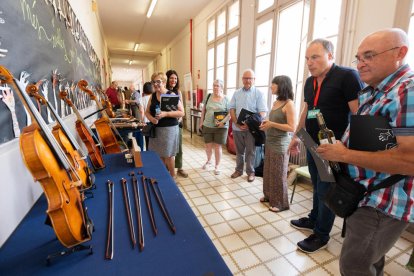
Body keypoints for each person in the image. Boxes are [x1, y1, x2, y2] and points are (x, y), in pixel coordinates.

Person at [316, 28, 414, 275]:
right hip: (364, 193)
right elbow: (381, 141)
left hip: (382, 202)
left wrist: (344, 155)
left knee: (355, 265)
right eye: (358, 58)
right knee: (370, 260)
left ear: (400, 53)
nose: (361, 64)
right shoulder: (376, 91)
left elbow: (409, 159)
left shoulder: (407, 91)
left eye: (369, 56)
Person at [288, 38, 364, 253]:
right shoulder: (310, 82)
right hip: (312, 143)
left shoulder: (347, 76)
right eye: (307, 59)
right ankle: (314, 219)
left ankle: (321, 235)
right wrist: (296, 136)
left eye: (315, 57)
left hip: (332, 146)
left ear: (330, 56)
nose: (310, 63)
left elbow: (359, 114)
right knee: (317, 185)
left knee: (326, 189)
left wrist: (351, 151)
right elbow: (306, 111)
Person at [259, 76, 296, 213]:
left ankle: (281, 203)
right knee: (268, 171)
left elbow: (292, 127)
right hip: (270, 141)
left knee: (278, 174)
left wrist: (272, 124)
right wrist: (266, 124)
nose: (271, 87)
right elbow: (272, 120)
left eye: (273, 85)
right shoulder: (276, 102)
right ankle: (269, 196)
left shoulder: (289, 104)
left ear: (281, 86)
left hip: (280, 144)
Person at [229, 69, 268, 182]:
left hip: (252, 129)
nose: (247, 80)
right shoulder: (236, 93)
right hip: (237, 128)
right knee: (239, 152)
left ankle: (251, 172)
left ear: (254, 80)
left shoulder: (259, 94)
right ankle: (238, 170)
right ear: (242, 79)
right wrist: (236, 122)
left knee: (251, 152)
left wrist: (249, 123)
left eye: (250, 78)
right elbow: (232, 108)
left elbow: (262, 112)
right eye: (245, 78)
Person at [145, 72, 185, 178]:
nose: (156, 84)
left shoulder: (170, 95)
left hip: (169, 130)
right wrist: (152, 119)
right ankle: (164, 176)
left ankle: (173, 177)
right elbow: (147, 112)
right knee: (159, 155)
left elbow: (181, 112)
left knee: (169, 155)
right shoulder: (153, 96)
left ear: (164, 82)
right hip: (156, 129)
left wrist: (166, 114)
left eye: (158, 81)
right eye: (154, 82)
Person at [199, 79, 230, 175]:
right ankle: (209, 161)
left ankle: (217, 166)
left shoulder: (226, 99)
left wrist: (223, 122)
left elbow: (230, 113)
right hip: (207, 125)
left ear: (221, 87)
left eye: (218, 86)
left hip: (221, 127)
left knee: (217, 146)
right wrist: (201, 122)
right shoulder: (208, 96)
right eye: (214, 85)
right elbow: (203, 110)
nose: (215, 87)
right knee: (208, 145)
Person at [166, 69, 188, 178]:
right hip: (166, 124)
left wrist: (179, 120)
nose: (173, 80)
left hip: (177, 123)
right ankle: (167, 168)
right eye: (171, 78)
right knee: (168, 147)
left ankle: (180, 167)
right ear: (167, 79)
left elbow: (182, 109)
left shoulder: (178, 92)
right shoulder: (164, 91)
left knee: (179, 147)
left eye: (175, 78)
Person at [141, 81, 153, 150]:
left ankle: (149, 155)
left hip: (146, 123)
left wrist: (142, 122)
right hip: (154, 122)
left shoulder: (141, 99)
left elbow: (142, 112)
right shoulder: (154, 97)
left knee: (147, 141)